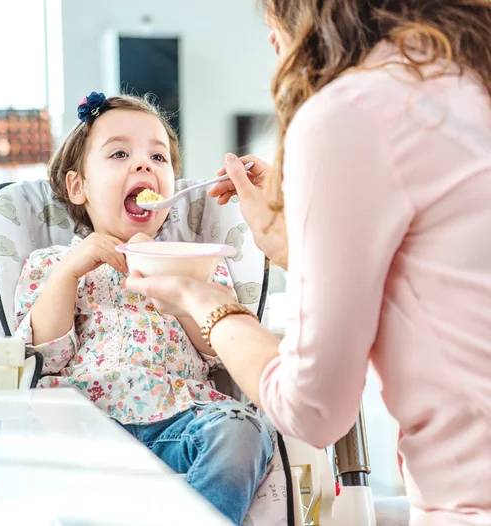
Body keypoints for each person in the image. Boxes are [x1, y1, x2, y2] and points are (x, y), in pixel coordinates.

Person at [126, 1, 491, 524]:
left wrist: (203, 300)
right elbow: (434, 279)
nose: (275, 46)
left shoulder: (352, 112)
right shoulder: (466, 80)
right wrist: (297, 236)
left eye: (273, 20)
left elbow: (312, 411)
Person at [13, 91, 273, 525]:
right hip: (87, 424)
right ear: (79, 187)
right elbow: (47, 356)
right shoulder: (53, 265)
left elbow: (221, 350)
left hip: (181, 420)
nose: (144, 164)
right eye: (119, 153)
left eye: (159, 157)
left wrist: (179, 279)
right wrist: (69, 273)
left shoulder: (200, 260)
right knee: (40, 457)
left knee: (244, 431)